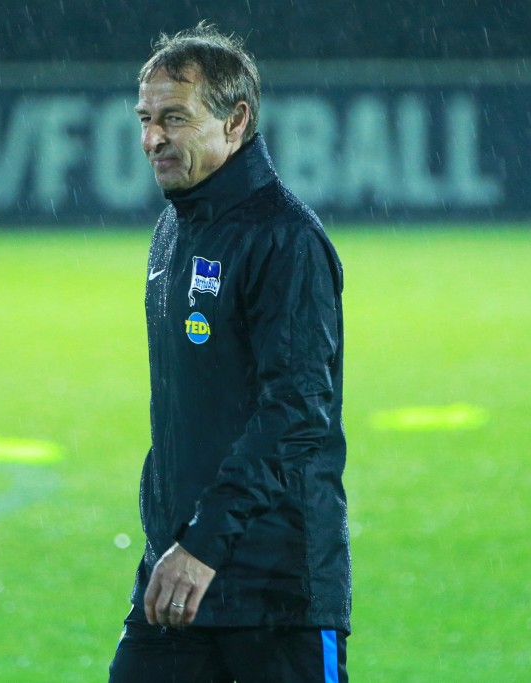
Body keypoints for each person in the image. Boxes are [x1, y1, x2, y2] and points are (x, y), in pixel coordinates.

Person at [108, 22, 351, 683]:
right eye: (146, 118)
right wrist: (171, 535)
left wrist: (203, 544)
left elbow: (296, 413)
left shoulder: (285, 240)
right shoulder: (174, 228)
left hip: (276, 593)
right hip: (175, 573)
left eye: (174, 118)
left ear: (235, 119)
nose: (151, 138)